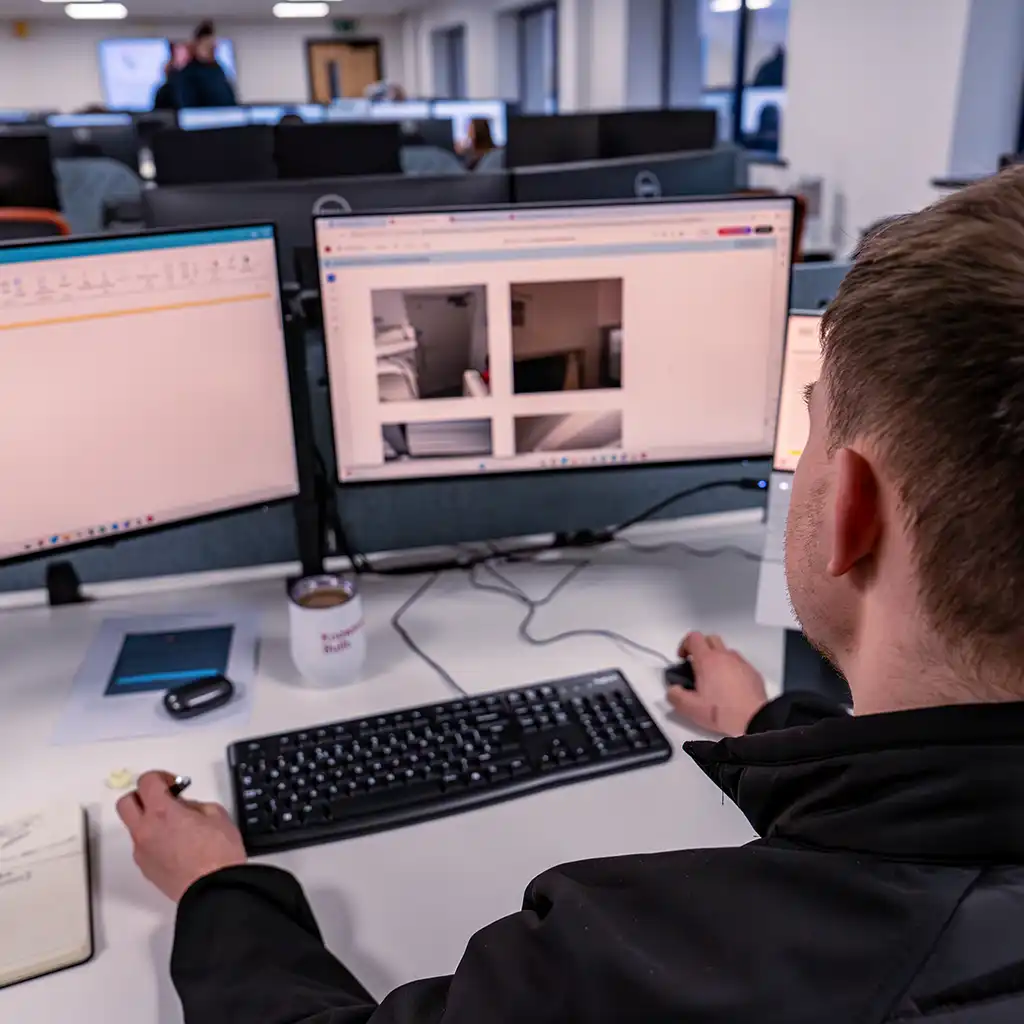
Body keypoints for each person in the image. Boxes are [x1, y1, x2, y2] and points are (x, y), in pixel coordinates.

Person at [119, 168, 1024, 1021]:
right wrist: (771, 726)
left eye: (810, 426)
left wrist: (217, 889)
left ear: (848, 512)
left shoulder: (665, 960)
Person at [174, 21, 236, 110]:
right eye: (207, 46)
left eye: (213, 46)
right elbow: (188, 106)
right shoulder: (188, 74)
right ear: (197, 46)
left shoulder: (218, 70)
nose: (212, 49)